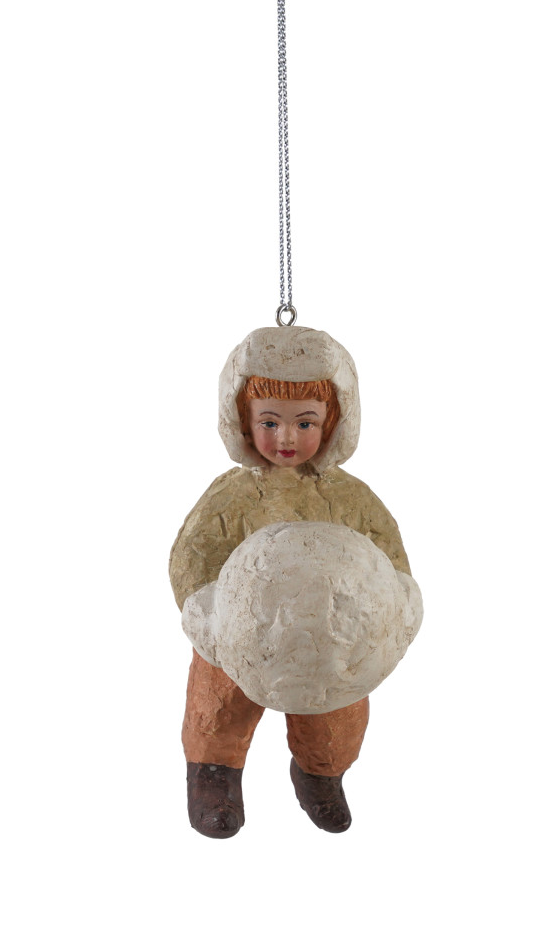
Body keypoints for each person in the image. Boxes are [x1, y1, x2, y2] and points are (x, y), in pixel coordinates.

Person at [169, 325, 411, 838]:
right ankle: (214, 775)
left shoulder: (350, 499)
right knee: (220, 707)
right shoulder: (231, 498)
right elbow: (193, 556)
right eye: (269, 421)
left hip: (333, 643)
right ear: (242, 420)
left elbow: (387, 551)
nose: (286, 438)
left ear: (334, 421)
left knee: (336, 717)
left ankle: (321, 775)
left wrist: (398, 601)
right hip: (237, 637)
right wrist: (207, 613)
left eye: (305, 422)